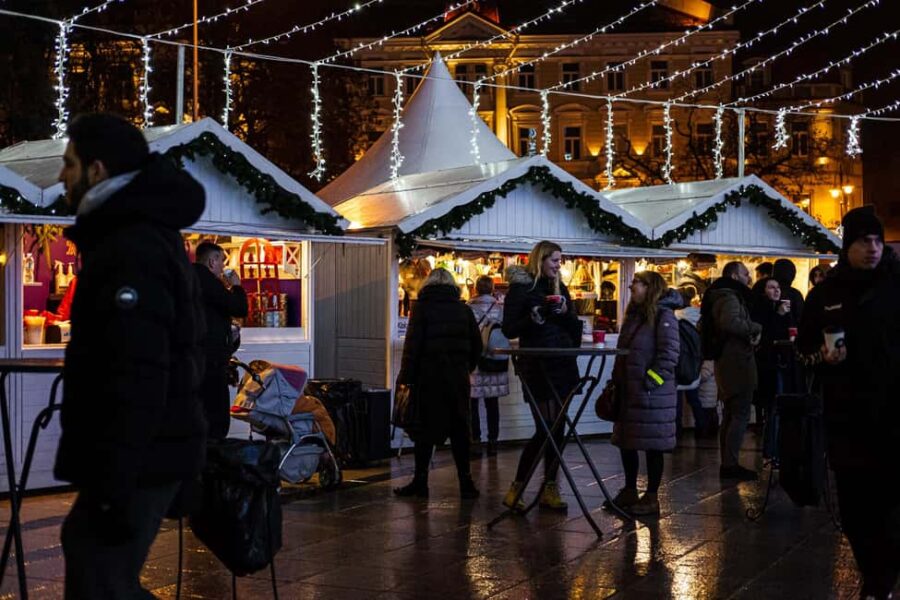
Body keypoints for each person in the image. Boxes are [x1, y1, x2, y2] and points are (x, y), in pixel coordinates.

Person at [54, 113, 207, 597]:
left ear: (96, 171)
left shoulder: (131, 246)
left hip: (139, 454)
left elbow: (137, 371)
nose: (62, 176)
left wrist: (114, 480)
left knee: (100, 575)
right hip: (142, 451)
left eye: (69, 164)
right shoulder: (133, 235)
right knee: (94, 565)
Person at [797, 206, 900, 600]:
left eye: (877, 240)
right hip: (848, 416)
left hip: (895, 415)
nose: (872, 248)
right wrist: (819, 357)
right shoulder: (827, 293)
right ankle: (875, 576)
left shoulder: (897, 285)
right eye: (862, 241)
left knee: (893, 506)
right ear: (848, 246)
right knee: (856, 508)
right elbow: (803, 346)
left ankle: (880, 582)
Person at [501, 241, 583, 511]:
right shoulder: (522, 289)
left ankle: (550, 487)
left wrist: (565, 314)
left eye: (561, 261)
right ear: (540, 260)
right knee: (545, 428)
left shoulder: (561, 289)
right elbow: (510, 329)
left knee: (557, 429)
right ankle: (518, 487)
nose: (559, 265)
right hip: (537, 366)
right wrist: (534, 318)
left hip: (563, 364)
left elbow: (575, 331)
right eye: (555, 260)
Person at [394, 268, 483, 499]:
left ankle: (420, 481)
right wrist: (465, 368)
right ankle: (466, 482)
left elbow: (412, 348)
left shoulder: (421, 309)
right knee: (459, 431)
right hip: (457, 380)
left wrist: (406, 379)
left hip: (428, 379)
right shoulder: (464, 310)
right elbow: (477, 346)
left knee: (424, 432)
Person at [606, 272, 681, 516]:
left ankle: (651, 497)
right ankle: (629, 490)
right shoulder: (635, 316)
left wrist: (651, 381)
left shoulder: (663, 316)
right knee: (627, 441)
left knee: (653, 446)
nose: (631, 286)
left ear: (650, 287)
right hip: (630, 392)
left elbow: (669, 354)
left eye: (636, 283)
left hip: (651, 395)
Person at [701, 261, 761, 481]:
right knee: (739, 413)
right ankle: (730, 464)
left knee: (730, 413)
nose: (749, 278)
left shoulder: (718, 296)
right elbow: (731, 323)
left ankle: (728, 462)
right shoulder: (729, 297)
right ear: (735, 276)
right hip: (736, 362)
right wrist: (755, 328)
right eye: (746, 274)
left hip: (728, 362)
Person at [193, 241, 248, 440]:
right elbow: (239, 308)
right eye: (221, 261)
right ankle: (212, 460)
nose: (223, 267)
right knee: (216, 417)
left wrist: (228, 336)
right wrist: (237, 286)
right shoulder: (208, 282)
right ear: (212, 261)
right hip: (211, 362)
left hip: (192, 360)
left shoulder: (187, 279)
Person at [750, 277, 795, 458]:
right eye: (771, 288)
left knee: (776, 408)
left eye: (778, 287)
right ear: (763, 291)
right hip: (768, 365)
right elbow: (767, 335)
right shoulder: (761, 310)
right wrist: (779, 316)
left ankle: (775, 448)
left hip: (780, 362)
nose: (776, 291)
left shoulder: (780, 309)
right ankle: (771, 450)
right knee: (773, 407)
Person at [467, 276, 508, 456]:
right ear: (492, 288)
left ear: (476, 288)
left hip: (474, 360)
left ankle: (475, 440)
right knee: (493, 404)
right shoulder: (500, 308)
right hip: (494, 359)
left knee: (472, 403)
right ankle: (493, 442)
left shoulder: (468, 307)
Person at [674, 286, 707, 438]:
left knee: (677, 401)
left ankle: (677, 430)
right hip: (695, 361)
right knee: (694, 397)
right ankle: (702, 427)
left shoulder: (675, 316)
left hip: (679, 361)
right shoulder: (700, 315)